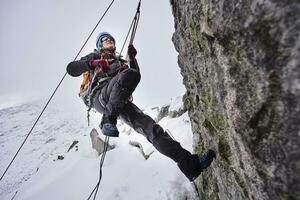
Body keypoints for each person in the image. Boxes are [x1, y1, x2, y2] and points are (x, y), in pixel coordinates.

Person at [66, 32, 216, 181]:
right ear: (99, 45)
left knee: (153, 130)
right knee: (129, 75)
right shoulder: (94, 56)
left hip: (119, 101)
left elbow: (133, 75)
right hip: (100, 95)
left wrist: (132, 58)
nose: (109, 40)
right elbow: (71, 68)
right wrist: (92, 63)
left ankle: (191, 166)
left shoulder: (119, 62)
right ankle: (108, 120)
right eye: (105, 39)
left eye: (111, 39)